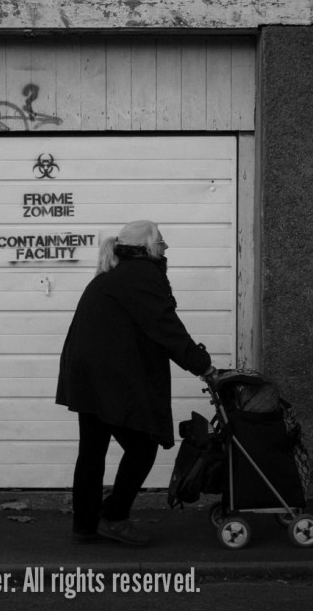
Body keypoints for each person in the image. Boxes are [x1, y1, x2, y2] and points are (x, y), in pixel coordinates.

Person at [56, 220, 216, 546]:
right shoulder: (141, 276)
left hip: (87, 374)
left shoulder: (117, 276)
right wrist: (206, 369)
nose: (166, 247)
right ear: (144, 247)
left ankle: (86, 526)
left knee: (92, 452)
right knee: (143, 446)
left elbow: (151, 331)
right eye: (160, 240)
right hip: (105, 376)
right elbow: (166, 329)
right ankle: (113, 517)